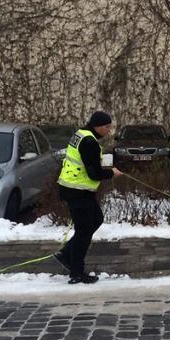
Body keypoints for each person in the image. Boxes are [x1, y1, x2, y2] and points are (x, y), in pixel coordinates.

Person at [53, 111, 123, 284]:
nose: (109, 130)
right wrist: (111, 173)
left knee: (96, 219)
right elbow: (94, 174)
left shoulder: (81, 134)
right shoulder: (89, 142)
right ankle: (76, 272)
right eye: (107, 127)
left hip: (78, 189)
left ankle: (66, 254)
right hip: (76, 190)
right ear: (97, 126)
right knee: (84, 231)